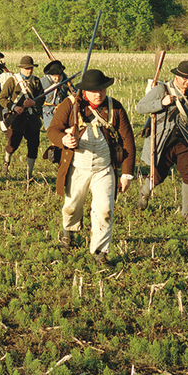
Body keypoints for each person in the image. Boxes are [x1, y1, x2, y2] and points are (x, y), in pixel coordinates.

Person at [47, 69, 136, 265]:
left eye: (102, 89)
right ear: (84, 90)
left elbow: (128, 142)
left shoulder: (115, 107)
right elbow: (52, 129)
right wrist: (64, 139)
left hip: (104, 169)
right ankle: (68, 232)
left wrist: (126, 174)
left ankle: (100, 252)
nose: (99, 94)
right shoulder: (70, 105)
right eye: (94, 90)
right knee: (71, 207)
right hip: (77, 166)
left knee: (105, 209)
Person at [136, 60, 188, 221]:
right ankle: (145, 190)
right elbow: (140, 107)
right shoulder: (161, 90)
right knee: (157, 177)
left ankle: (186, 213)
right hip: (161, 141)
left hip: (185, 143)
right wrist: (161, 103)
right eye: (185, 78)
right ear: (177, 76)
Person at [0, 55, 45, 181]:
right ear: (21, 68)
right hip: (16, 120)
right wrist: (13, 107)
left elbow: (42, 98)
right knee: (12, 145)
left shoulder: (36, 81)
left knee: (33, 147)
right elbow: (2, 98)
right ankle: (6, 160)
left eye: (30, 68)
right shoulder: (12, 81)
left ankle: (29, 175)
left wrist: (33, 103)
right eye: (26, 68)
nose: (28, 70)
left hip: (32, 120)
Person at [41, 60, 72, 130]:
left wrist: (70, 86)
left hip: (63, 110)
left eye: (59, 76)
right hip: (48, 111)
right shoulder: (43, 81)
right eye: (55, 76)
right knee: (52, 131)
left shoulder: (65, 80)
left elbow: (75, 92)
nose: (57, 78)